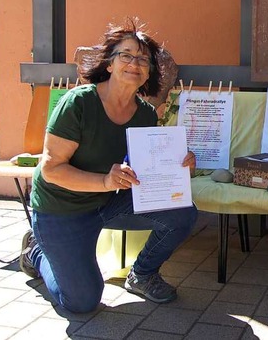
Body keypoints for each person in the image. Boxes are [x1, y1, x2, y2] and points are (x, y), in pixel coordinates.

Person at [19, 20, 199, 313]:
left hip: (106, 203)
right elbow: (52, 170)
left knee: (181, 211)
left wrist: (177, 166)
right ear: (110, 64)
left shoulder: (145, 114)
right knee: (82, 301)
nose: (135, 63)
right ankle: (37, 252)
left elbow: (145, 172)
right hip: (61, 208)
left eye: (143, 59)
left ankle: (141, 274)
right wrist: (105, 181)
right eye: (126, 55)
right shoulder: (78, 103)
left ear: (149, 71)